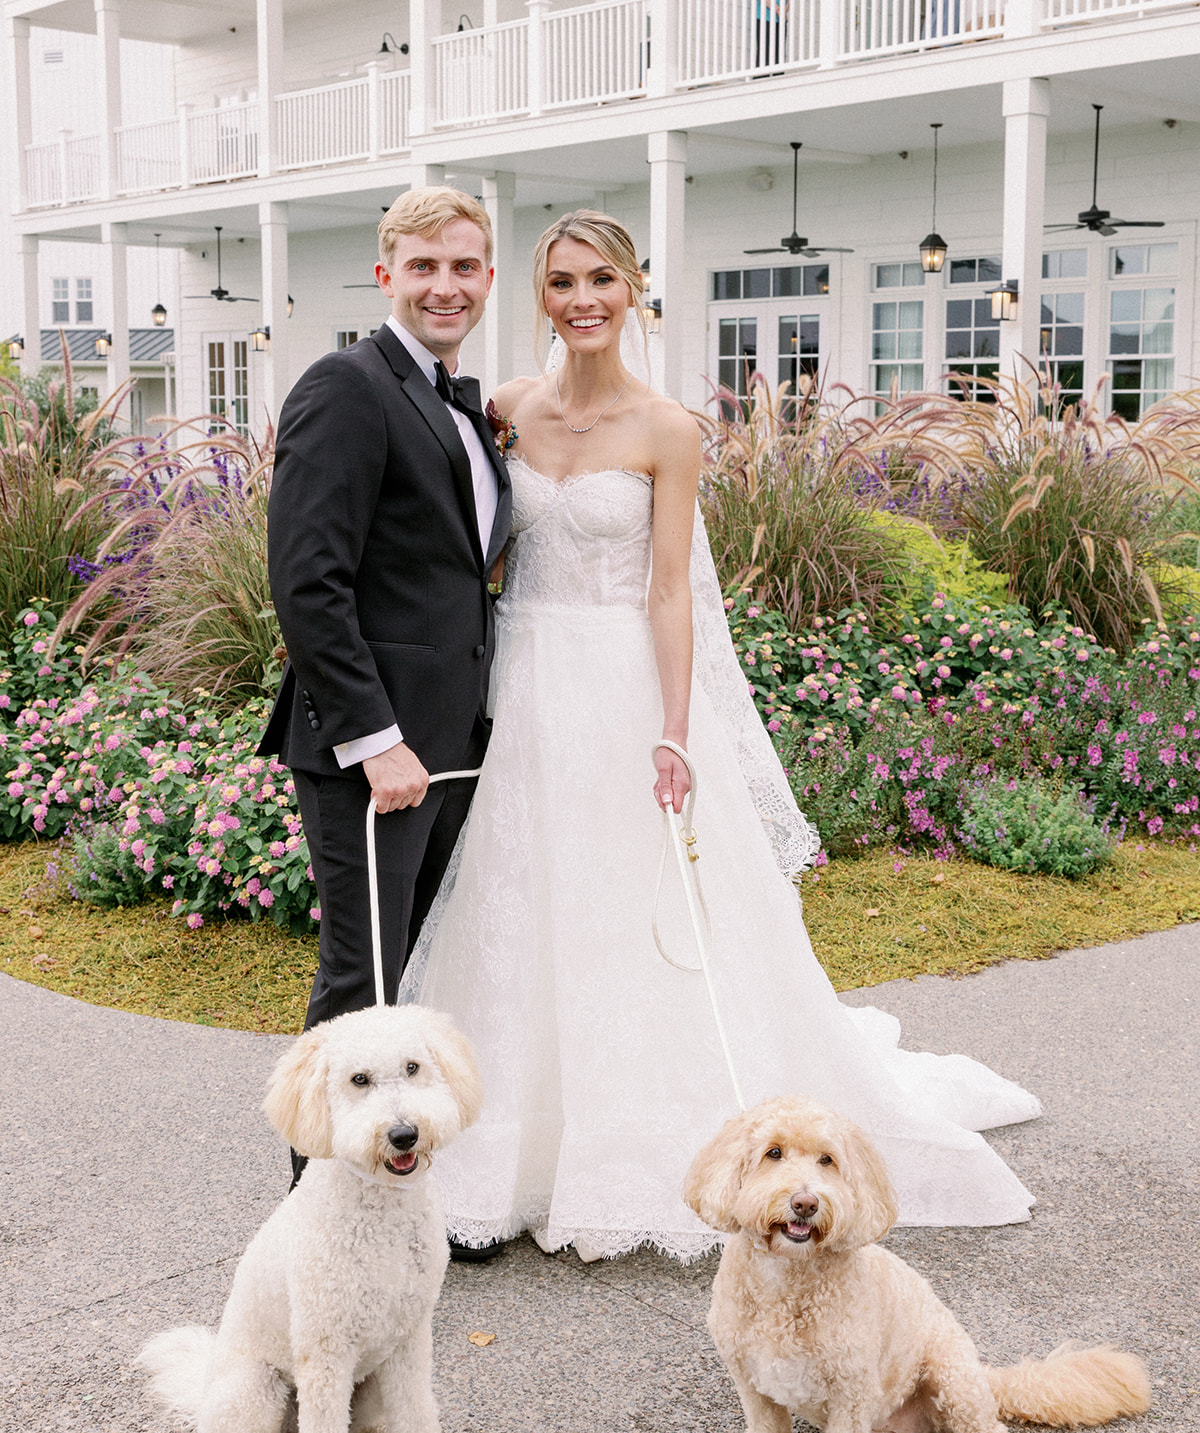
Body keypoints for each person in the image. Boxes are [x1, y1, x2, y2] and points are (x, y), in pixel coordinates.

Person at [399, 210, 1041, 1263]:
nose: (581, 301)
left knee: (625, 901)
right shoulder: (504, 407)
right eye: (561, 282)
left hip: (616, 681)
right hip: (520, 678)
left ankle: (631, 1147)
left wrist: (675, 730)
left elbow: (669, 593)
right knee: (520, 897)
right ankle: (504, 1150)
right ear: (540, 295)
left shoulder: (668, 429)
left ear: (633, 289)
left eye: (601, 279)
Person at [260, 187, 511, 1258]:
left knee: (421, 976)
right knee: (363, 986)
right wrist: (375, 739)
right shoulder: (346, 388)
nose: (445, 284)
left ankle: (402, 1204)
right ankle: (318, 1223)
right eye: (424, 266)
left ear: (487, 278)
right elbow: (307, 579)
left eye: (464, 266)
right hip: (379, 755)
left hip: (455, 748)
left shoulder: (461, 401)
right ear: (386, 275)